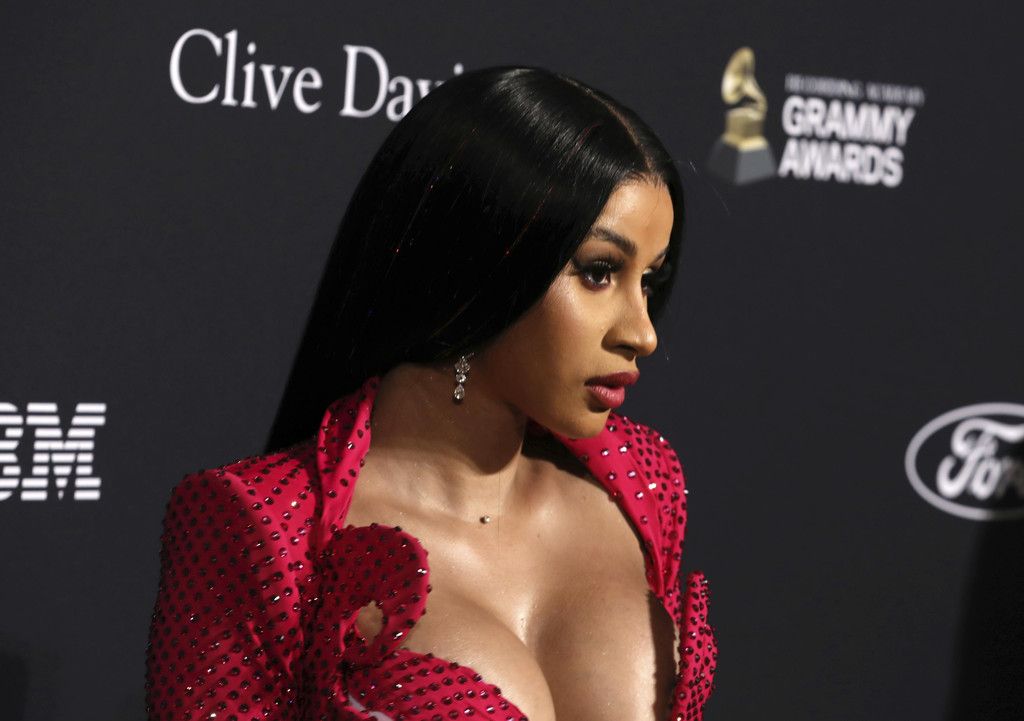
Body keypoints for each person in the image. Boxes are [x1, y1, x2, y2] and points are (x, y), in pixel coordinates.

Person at [145, 66, 716, 721]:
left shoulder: (643, 482)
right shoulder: (263, 527)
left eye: (649, 279)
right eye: (598, 271)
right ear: (479, 265)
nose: (642, 332)